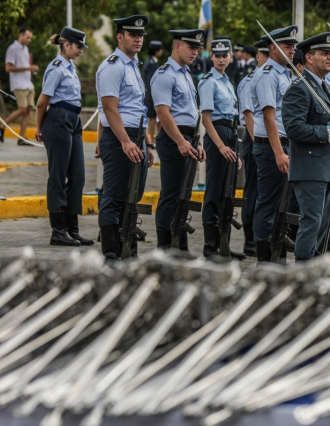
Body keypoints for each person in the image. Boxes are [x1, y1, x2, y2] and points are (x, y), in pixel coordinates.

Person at [282, 32, 330, 264]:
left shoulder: (326, 88)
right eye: (324, 53)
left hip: (328, 167)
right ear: (309, 58)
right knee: (312, 222)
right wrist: (329, 130)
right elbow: (294, 129)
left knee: (322, 225)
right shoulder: (300, 88)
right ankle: (302, 273)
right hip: (310, 167)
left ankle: (313, 271)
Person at [95, 15, 156, 261]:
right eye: (133, 35)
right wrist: (125, 141)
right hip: (120, 137)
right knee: (114, 196)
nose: (138, 39)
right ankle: (111, 254)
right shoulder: (113, 66)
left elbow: (139, 109)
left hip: (137, 137)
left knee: (133, 196)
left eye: (141, 35)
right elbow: (110, 109)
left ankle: (128, 250)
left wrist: (147, 142)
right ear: (120, 37)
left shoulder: (133, 65)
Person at [150, 29, 207, 251]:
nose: (195, 52)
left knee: (184, 194)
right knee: (172, 194)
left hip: (188, 137)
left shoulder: (185, 74)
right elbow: (163, 113)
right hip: (174, 138)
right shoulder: (165, 74)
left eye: (197, 48)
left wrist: (197, 142)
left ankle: (179, 245)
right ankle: (165, 247)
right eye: (191, 47)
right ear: (177, 46)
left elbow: (192, 112)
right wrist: (181, 141)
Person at [34, 27, 91, 246]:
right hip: (57, 119)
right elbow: (41, 102)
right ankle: (58, 231)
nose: (81, 51)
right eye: (78, 47)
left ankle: (72, 229)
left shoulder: (70, 67)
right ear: (67, 45)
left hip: (73, 120)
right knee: (58, 175)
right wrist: (39, 128)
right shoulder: (56, 68)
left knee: (78, 175)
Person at [250, 26, 298, 263]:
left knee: (283, 203)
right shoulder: (268, 74)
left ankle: (277, 253)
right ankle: (265, 258)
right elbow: (269, 117)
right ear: (273, 48)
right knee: (268, 203)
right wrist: (279, 153)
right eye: (288, 46)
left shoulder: (283, 74)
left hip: (282, 145)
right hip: (272, 147)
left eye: (293, 46)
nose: (293, 51)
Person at [199, 37, 245, 260]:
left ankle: (223, 246)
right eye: (216, 55)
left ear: (230, 56)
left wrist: (233, 149)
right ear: (211, 57)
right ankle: (210, 248)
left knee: (227, 193)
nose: (220, 59)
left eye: (224, 55)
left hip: (230, 134)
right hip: (217, 135)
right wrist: (221, 146)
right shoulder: (209, 81)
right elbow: (206, 119)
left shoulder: (227, 81)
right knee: (215, 192)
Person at [237, 38, 269, 257]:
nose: (268, 59)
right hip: (254, 137)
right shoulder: (250, 81)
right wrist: (257, 141)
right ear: (257, 56)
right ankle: (250, 240)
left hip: (268, 137)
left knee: (266, 191)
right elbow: (249, 115)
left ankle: (263, 236)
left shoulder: (273, 78)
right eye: (264, 54)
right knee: (253, 190)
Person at [2, 27, 38, 144]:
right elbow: (8, 68)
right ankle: (2, 126)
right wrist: (28, 68)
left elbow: (24, 65)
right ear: (21, 35)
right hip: (18, 84)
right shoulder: (12, 49)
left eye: (31, 38)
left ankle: (21, 138)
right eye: (28, 37)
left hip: (28, 84)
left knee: (27, 111)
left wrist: (30, 70)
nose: (29, 40)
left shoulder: (26, 49)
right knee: (22, 110)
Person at [142, 40, 163, 141]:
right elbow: (151, 81)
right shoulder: (150, 63)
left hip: (152, 94)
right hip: (150, 95)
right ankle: (152, 139)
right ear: (156, 51)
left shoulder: (153, 61)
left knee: (156, 118)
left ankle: (155, 138)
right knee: (152, 117)